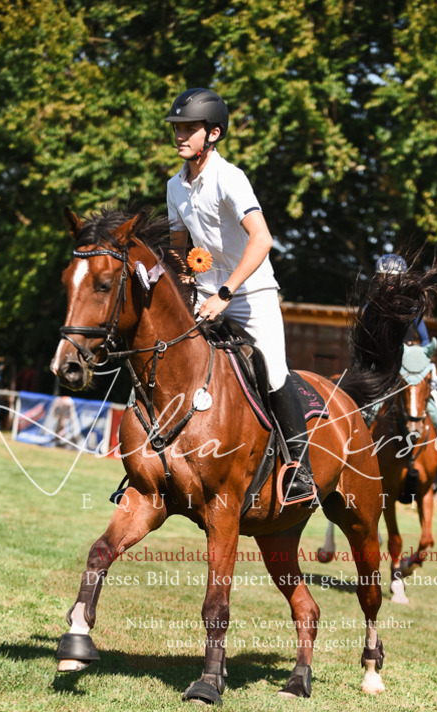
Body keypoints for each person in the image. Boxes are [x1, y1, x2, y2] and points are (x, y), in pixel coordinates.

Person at [165, 87, 316, 505]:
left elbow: (262, 239)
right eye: (177, 128)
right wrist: (185, 280)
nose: (180, 135)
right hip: (205, 295)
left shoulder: (229, 177)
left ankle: (299, 470)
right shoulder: (174, 187)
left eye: (189, 128)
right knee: (167, 355)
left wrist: (225, 293)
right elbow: (178, 246)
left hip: (252, 294)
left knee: (275, 373)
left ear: (213, 133)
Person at [375, 253, 437, 431]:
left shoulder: (412, 308)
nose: (390, 282)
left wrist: (419, 360)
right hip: (380, 368)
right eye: (385, 277)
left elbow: (425, 341)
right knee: (366, 410)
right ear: (379, 279)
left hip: (407, 367)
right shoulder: (371, 308)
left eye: (394, 278)